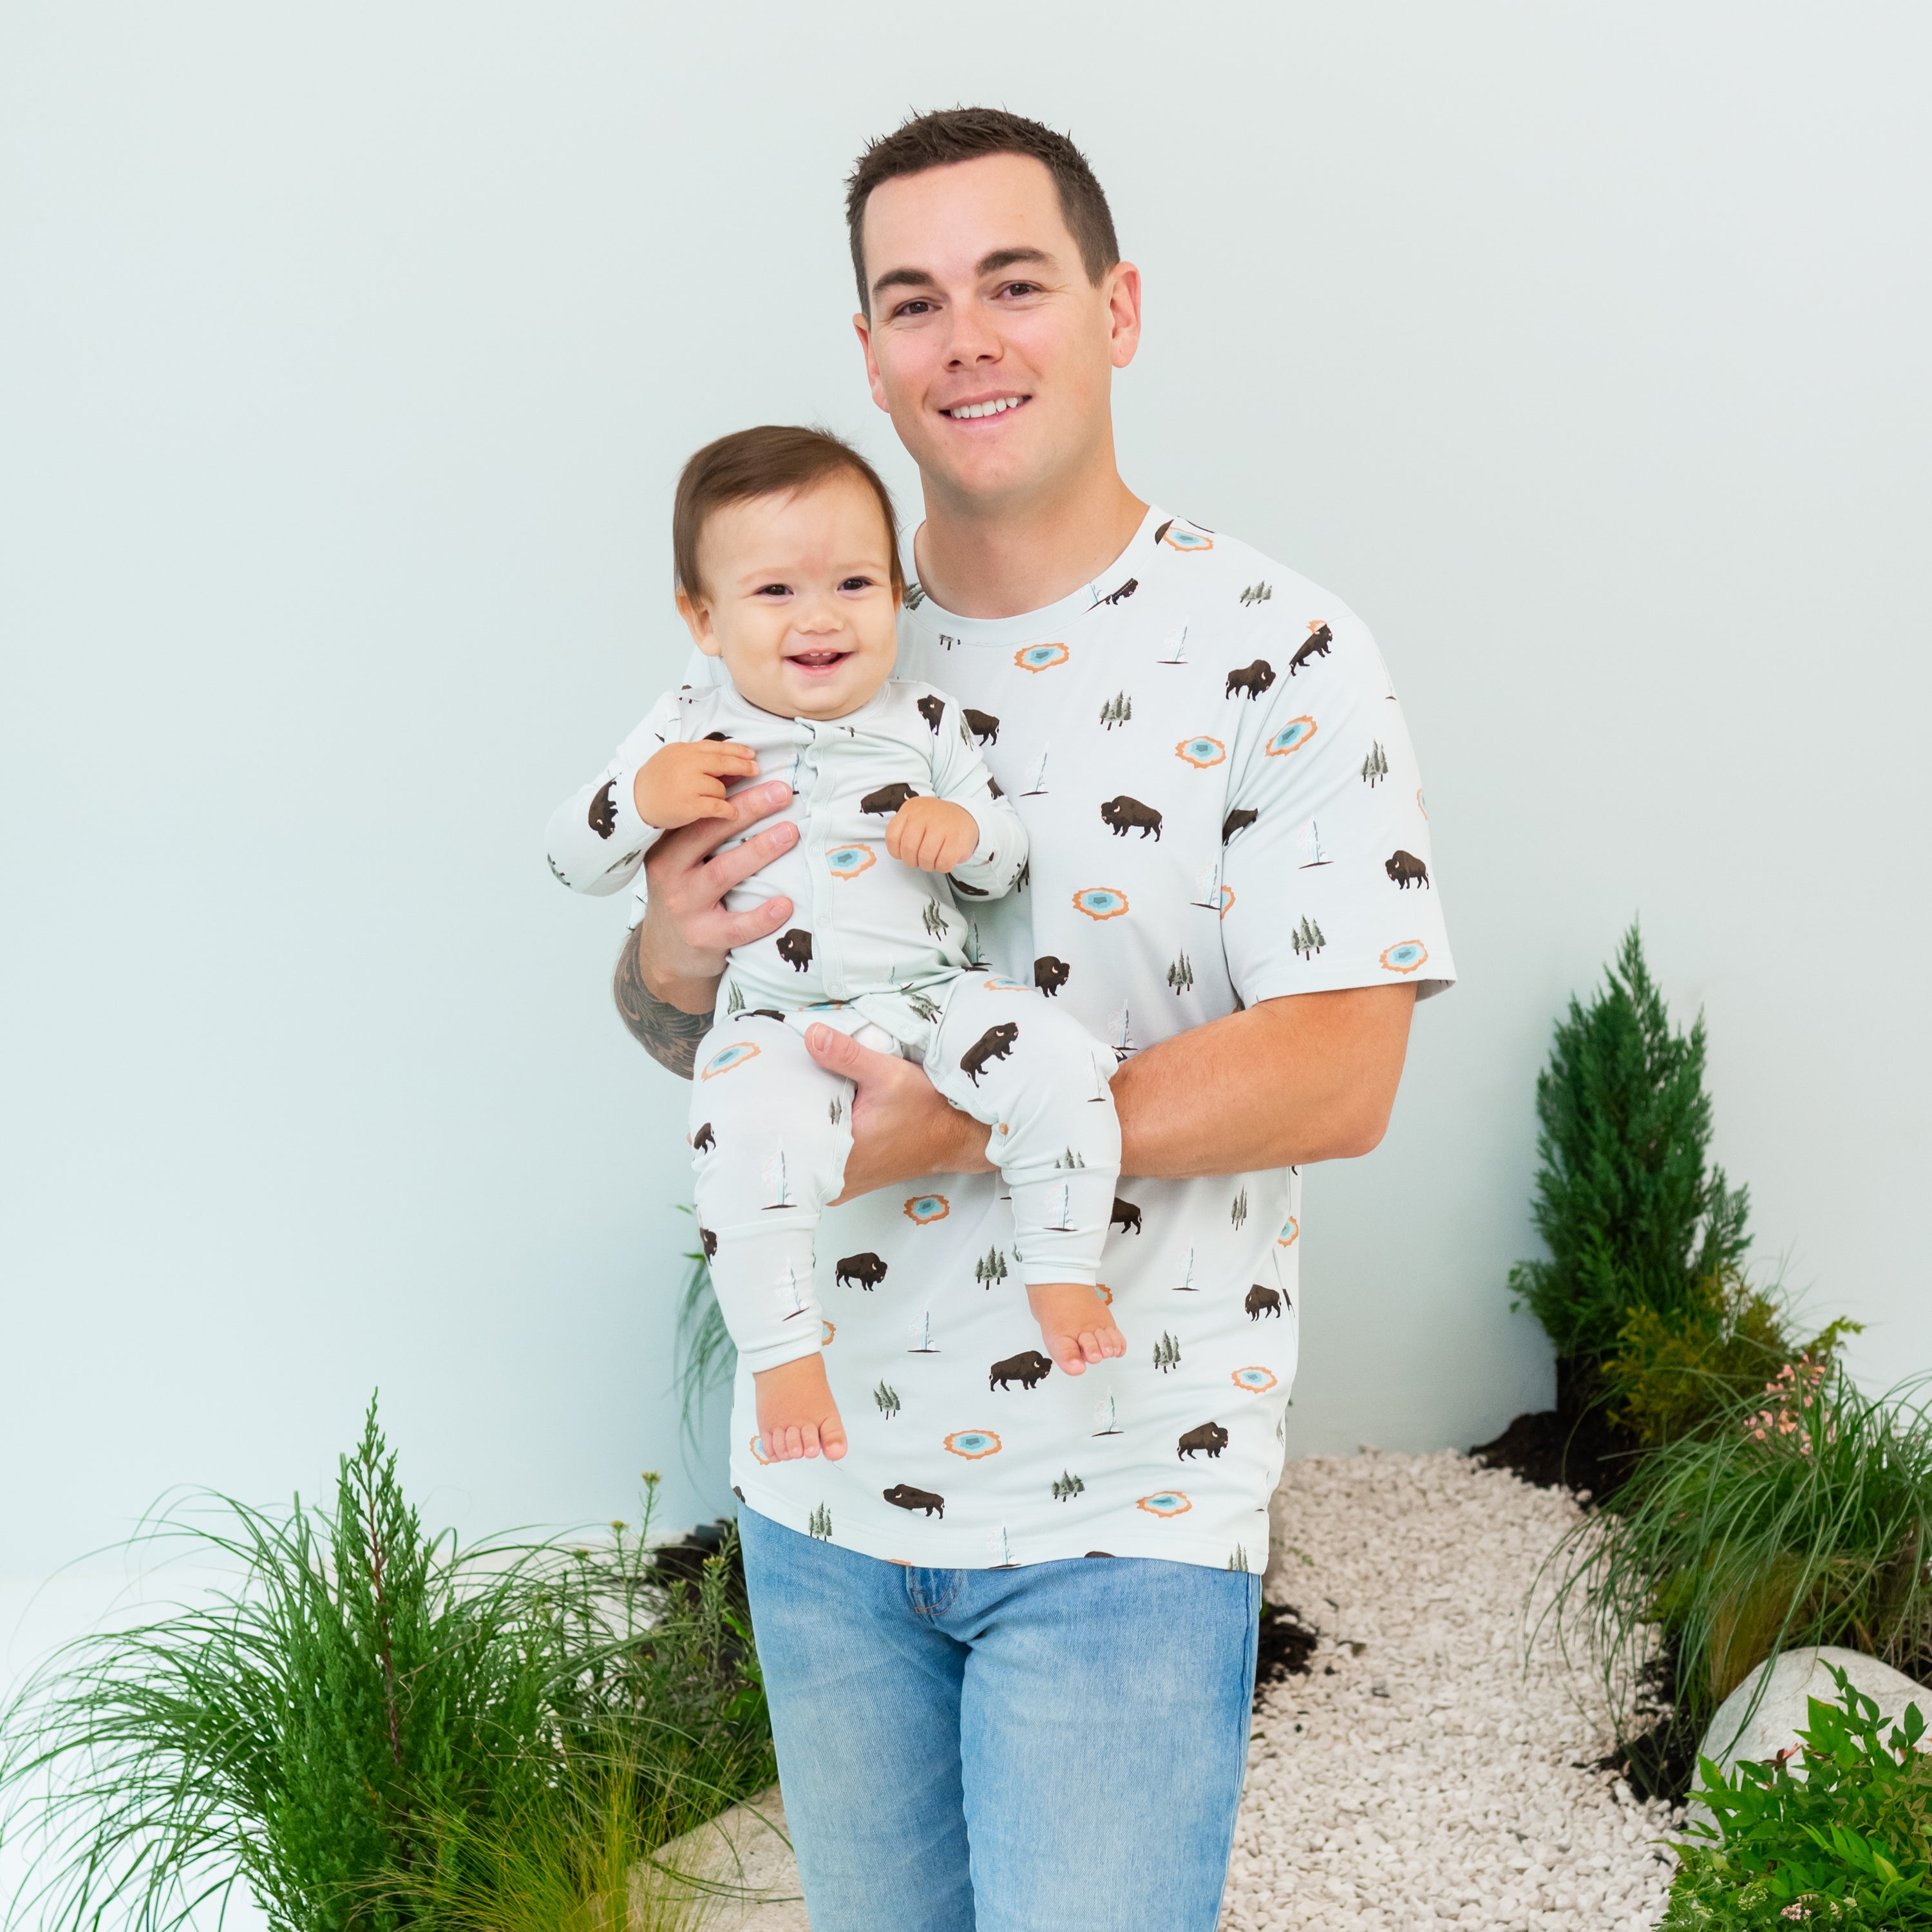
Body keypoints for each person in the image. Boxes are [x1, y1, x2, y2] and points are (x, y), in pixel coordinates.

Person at [604, 109, 1456, 1932]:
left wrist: (968, 1124)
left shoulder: (1282, 650)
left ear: (1117, 308)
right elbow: (691, 1011)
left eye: (1016, 283)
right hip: (823, 1507)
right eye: (915, 302)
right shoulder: (795, 629)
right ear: (869, 355)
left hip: (1126, 1512)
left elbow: (1345, 1068)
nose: (966, 339)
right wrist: (671, 957)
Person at [547, 425, 1126, 1466]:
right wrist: (641, 799)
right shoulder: (685, 726)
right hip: (779, 1018)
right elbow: (568, 861)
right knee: (744, 1139)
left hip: (937, 995)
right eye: (774, 591)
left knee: (1060, 1060)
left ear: (896, 596)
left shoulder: (928, 720)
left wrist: (967, 834)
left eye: (854, 584)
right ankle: (783, 1355)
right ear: (703, 618)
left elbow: (1003, 863)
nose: (820, 617)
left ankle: (1060, 1264)